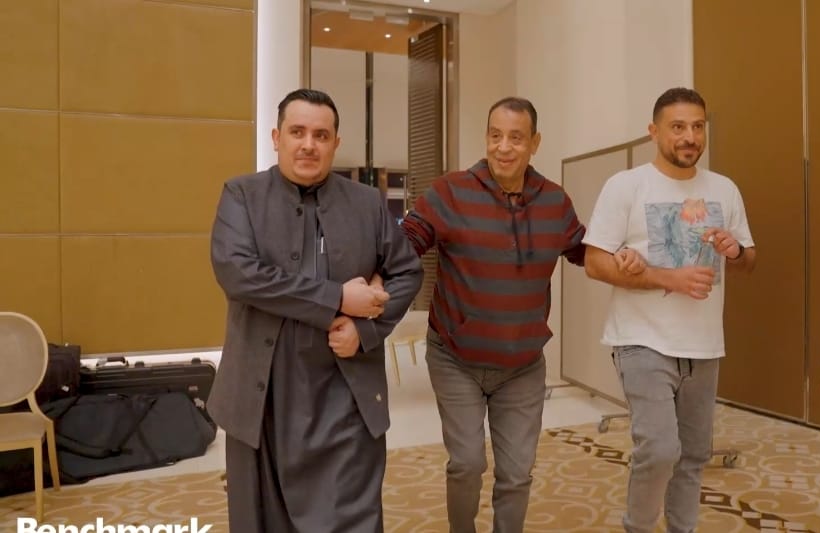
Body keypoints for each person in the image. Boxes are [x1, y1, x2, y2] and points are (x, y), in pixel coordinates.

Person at [401, 96, 642, 533]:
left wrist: (621, 255)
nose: (503, 147)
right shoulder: (451, 191)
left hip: (523, 364)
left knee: (516, 473)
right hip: (455, 356)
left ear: (534, 143)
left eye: (515, 138)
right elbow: (406, 241)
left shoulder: (554, 201)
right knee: (467, 463)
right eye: (495, 135)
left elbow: (582, 249)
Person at [208, 88, 424, 533]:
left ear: (335, 143)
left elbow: (407, 272)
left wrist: (366, 332)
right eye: (298, 132)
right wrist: (337, 298)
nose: (309, 144)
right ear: (277, 138)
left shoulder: (366, 203)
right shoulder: (242, 195)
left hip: (343, 392)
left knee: (349, 518)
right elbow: (239, 273)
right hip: (263, 395)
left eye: (321, 135)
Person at [582, 87, 756, 533]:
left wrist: (735, 251)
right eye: (677, 127)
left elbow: (748, 260)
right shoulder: (626, 186)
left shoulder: (724, 189)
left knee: (693, 455)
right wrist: (667, 279)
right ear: (654, 131)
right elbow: (595, 263)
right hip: (641, 340)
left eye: (698, 127)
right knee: (660, 449)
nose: (690, 137)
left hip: (704, 345)